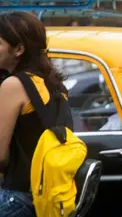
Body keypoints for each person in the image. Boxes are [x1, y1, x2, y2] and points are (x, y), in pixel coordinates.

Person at [0, 11, 70, 216]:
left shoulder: (14, 85)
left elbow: (0, 156)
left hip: (16, 197)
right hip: (44, 195)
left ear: (19, 49)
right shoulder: (55, 85)